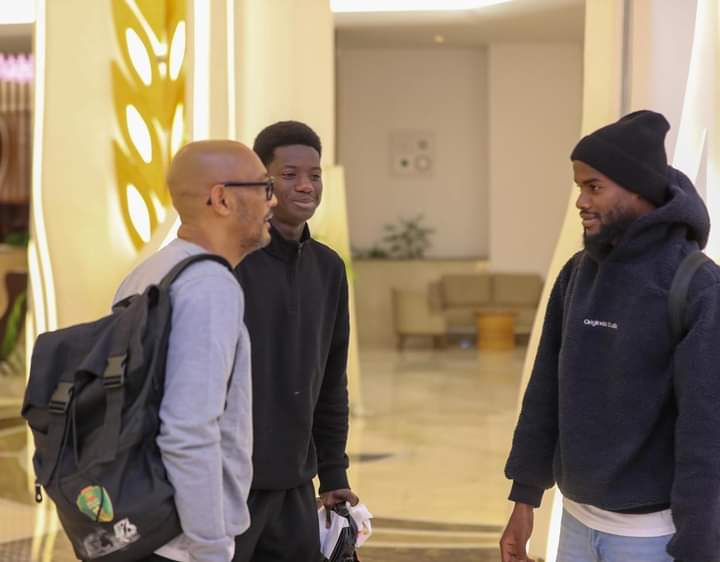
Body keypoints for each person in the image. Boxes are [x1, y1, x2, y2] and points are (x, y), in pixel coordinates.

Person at [500, 110, 720, 562]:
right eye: (579, 187)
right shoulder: (577, 273)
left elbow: (706, 432)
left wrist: (698, 544)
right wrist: (524, 498)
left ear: (637, 188)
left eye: (594, 187)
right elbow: (544, 392)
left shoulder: (696, 286)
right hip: (575, 524)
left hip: (651, 538)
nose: (581, 201)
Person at [114, 140, 277, 562]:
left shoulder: (148, 272)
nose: (272, 201)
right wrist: (210, 546)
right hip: (181, 542)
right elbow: (188, 430)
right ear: (221, 199)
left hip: (140, 524)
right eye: (264, 187)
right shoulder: (208, 286)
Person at [233, 121, 358, 562]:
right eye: (290, 175)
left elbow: (331, 380)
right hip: (232, 488)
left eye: (315, 175)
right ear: (262, 181)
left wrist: (334, 472)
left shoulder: (328, 270)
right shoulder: (230, 265)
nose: (306, 185)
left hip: (296, 490)